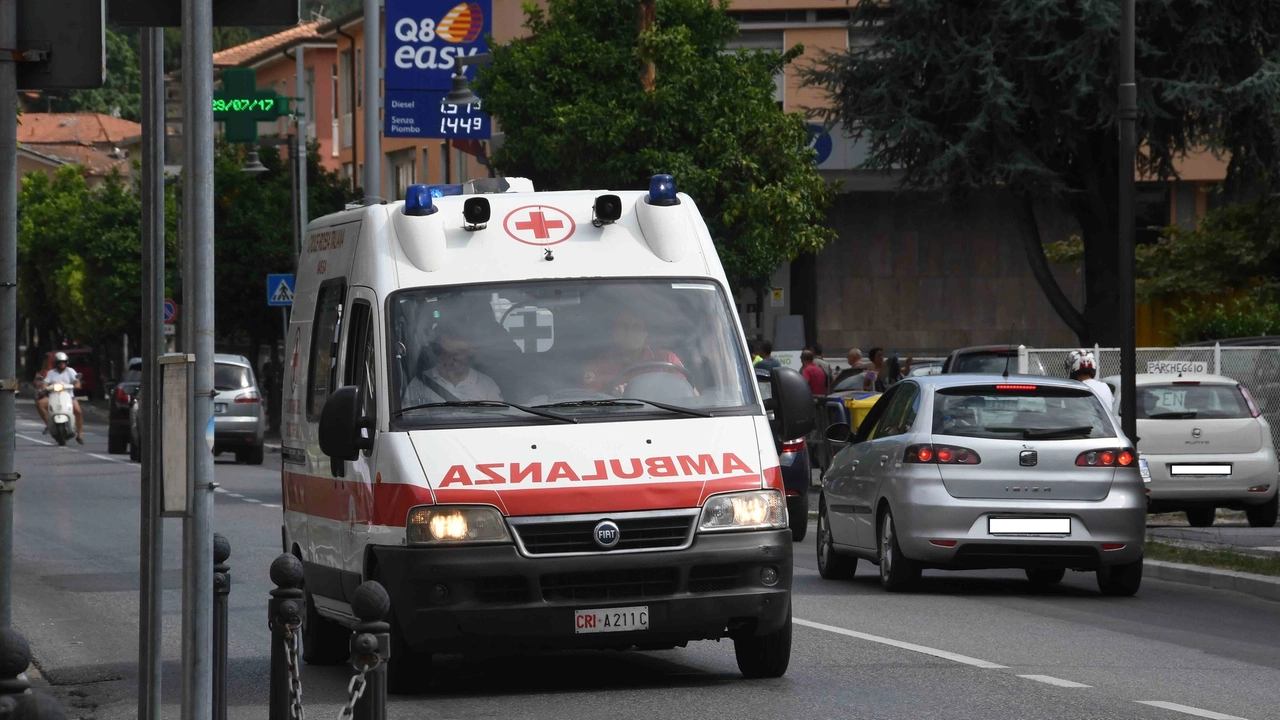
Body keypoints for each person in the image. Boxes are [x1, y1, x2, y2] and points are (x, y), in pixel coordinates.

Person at [583, 309, 683, 393]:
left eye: (637, 327)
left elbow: (691, 397)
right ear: (614, 332)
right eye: (624, 327)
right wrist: (612, 399)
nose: (630, 333)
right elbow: (588, 406)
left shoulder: (667, 360)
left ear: (645, 333)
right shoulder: (598, 367)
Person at [404, 325, 503, 405]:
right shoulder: (419, 384)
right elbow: (408, 419)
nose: (450, 360)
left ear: (469, 353)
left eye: (456, 354)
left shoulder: (487, 386)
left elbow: (498, 424)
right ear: (436, 354)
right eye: (442, 352)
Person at [36, 351, 84, 443]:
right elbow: (45, 383)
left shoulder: (71, 371)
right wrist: (43, 387)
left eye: (63, 362)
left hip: (69, 396)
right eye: (59, 362)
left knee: (78, 411)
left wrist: (77, 384)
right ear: (56, 363)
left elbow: (76, 381)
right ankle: (48, 424)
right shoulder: (51, 373)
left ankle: (80, 434)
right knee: (40, 404)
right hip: (53, 396)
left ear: (66, 362)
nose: (61, 364)